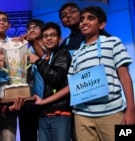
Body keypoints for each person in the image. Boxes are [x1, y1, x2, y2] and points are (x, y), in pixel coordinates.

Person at [53, 6, 135, 141]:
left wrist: (131, 111)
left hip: (113, 113)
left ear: (101, 24)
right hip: (82, 116)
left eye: (90, 18)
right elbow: (71, 85)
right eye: (83, 19)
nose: (84, 22)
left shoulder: (113, 42)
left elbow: (125, 76)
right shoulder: (77, 53)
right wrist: (44, 101)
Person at [0, 11, 25, 141]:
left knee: (10, 130)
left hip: (9, 85)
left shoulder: (15, 42)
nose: (1, 22)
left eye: (4, 20)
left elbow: (21, 67)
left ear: (9, 25)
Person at [29, 22, 72, 141]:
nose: (49, 38)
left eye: (53, 35)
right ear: (42, 40)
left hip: (60, 113)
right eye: (46, 36)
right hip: (43, 114)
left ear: (60, 39)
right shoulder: (44, 58)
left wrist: (38, 62)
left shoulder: (63, 54)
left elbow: (56, 78)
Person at [18, 18, 45, 141]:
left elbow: (46, 59)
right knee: (28, 135)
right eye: (29, 28)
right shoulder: (25, 47)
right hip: (27, 98)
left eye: (35, 27)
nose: (31, 30)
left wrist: (33, 41)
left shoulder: (49, 44)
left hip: (45, 97)